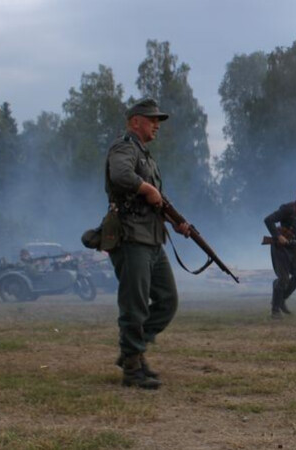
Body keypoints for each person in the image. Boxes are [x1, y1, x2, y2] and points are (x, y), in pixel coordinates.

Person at [105, 98, 192, 390]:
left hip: (152, 238)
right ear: (135, 122)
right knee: (135, 305)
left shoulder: (147, 156)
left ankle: (133, 350)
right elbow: (120, 175)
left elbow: (153, 202)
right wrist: (146, 187)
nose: (157, 125)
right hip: (131, 238)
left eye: (158, 120)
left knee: (167, 301)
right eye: (152, 119)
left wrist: (174, 222)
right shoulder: (124, 148)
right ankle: (132, 367)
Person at [264, 186, 296, 319]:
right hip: (280, 247)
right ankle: (275, 310)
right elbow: (268, 220)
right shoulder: (288, 208)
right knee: (283, 279)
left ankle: (281, 299)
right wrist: (277, 236)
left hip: (293, 247)